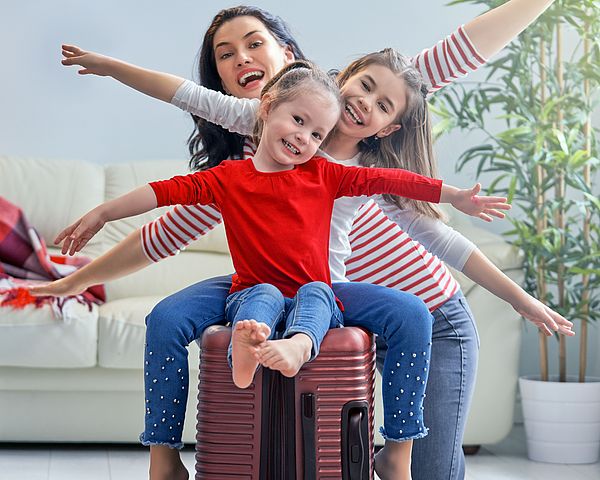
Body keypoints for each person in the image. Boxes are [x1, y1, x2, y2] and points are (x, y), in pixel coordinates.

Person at [48, 2, 571, 479]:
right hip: (332, 307)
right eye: (224, 55)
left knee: (429, 468)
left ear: (290, 55)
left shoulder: (370, 127)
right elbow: (161, 231)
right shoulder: (253, 151)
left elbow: (459, 56)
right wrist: (72, 281)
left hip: (430, 316)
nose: (241, 59)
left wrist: (521, 299)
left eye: (254, 42)